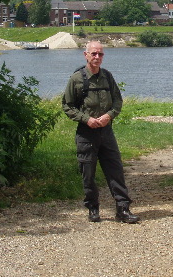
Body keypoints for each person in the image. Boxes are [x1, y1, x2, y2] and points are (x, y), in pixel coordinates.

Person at [62, 41, 139, 224]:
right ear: (86, 55)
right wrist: (86, 119)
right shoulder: (76, 79)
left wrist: (109, 116)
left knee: (115, 171)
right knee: (88, 173)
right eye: (94, 54)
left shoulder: (107, 77)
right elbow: (67, 106)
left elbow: (117, 101)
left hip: (106, 132)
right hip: (86, 134)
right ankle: (93, 207)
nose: (97, 57)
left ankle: (123, 209)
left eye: (101, 54)